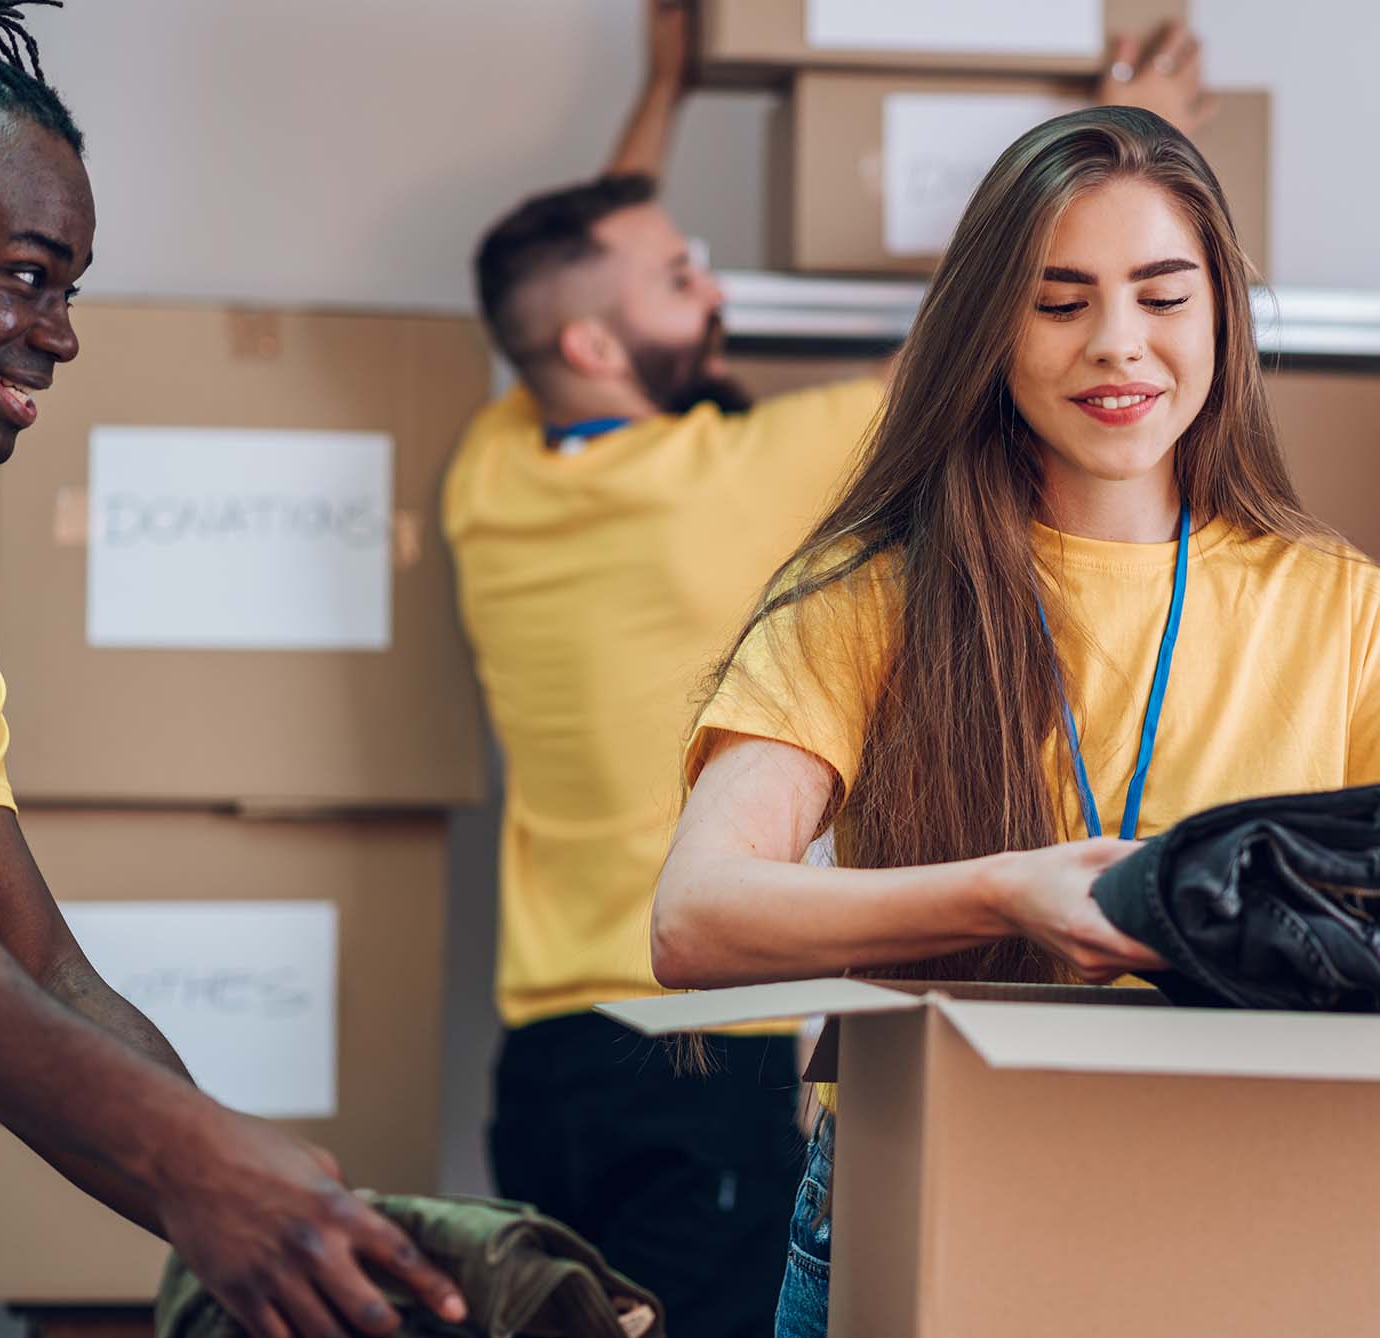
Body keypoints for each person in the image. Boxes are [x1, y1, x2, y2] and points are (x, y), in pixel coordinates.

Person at [649, 106, 1380, 1336]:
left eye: (1163, 297)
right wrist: (1004, 892)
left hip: (1247, 1213)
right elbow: (694, 917)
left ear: (1222, 317)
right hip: (937, 1191)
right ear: (989, 330)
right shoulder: (872, 598)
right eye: (1059, 304)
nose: (1119, 346)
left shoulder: (1334, 604)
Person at [444, 3, 1215, 1332]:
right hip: (709, 1045)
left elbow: (580, 257)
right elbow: (1012, 350)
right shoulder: (739, 479)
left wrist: (660, 92)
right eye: (683, 278)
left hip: (549, 1058)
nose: (716, 286)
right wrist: (1149, 171)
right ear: (592, 345)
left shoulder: (491, 471)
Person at [0, 5, 469, 1335]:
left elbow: (41, 969)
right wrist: (189, 1155)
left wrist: (294, 1210)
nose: (59, 332)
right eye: (29, 274)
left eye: (71, 288)